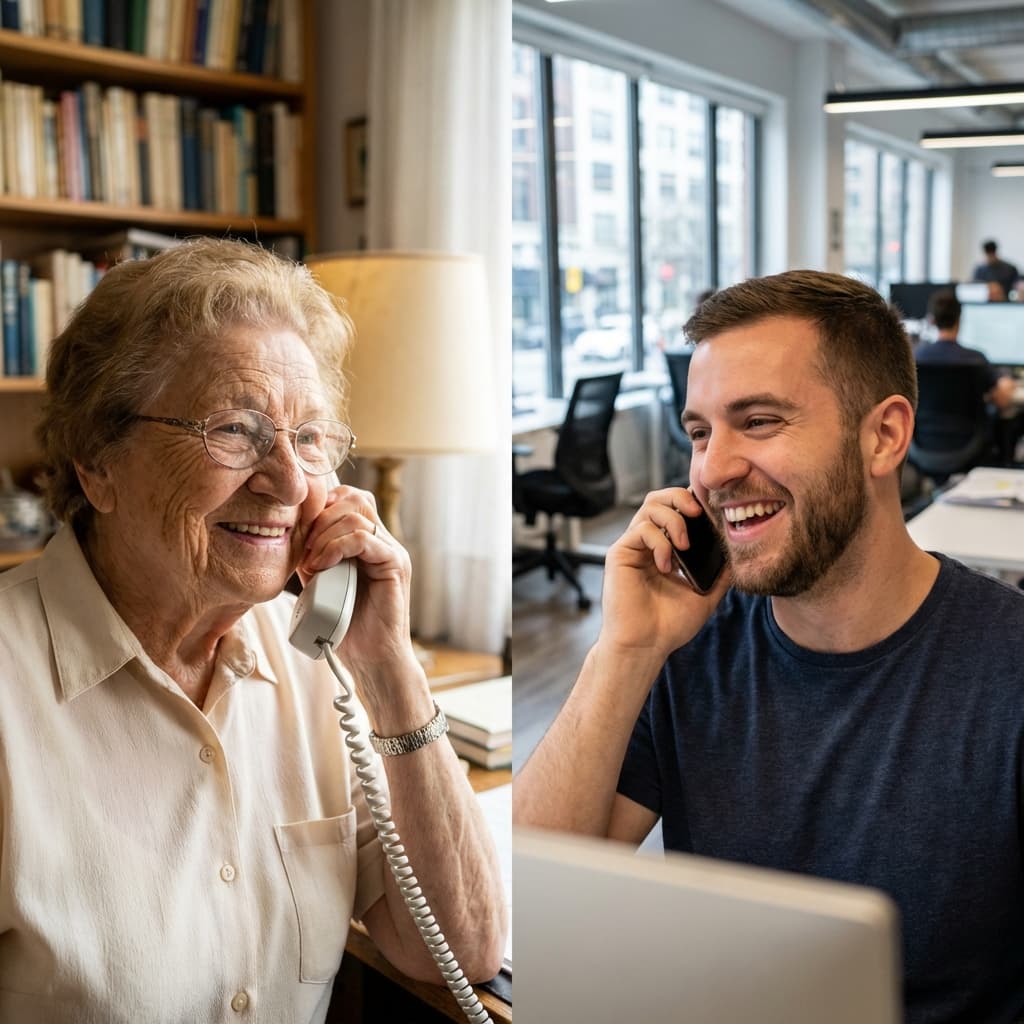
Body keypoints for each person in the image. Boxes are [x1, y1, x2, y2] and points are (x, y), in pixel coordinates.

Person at [0, 238, 505, 1022]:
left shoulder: (318, 661)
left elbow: (460, 945)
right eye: (235, 430)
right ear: (98, 461)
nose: (291, 482)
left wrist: (392, 672)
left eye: (309, 438)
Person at [514, 270, 1024, 1024]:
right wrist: (623, 652)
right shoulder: (681, 652)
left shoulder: (1007, 668)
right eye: (699, 431)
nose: (712, 470)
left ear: (884, 436)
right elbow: (527, 903)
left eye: (758, 422)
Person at [917, 288, 1021, 464]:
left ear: (932, 320)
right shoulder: (976, 359)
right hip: (969, 446)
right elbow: (1003, 400)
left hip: (922, 446)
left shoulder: (916, 357)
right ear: (959, 320)